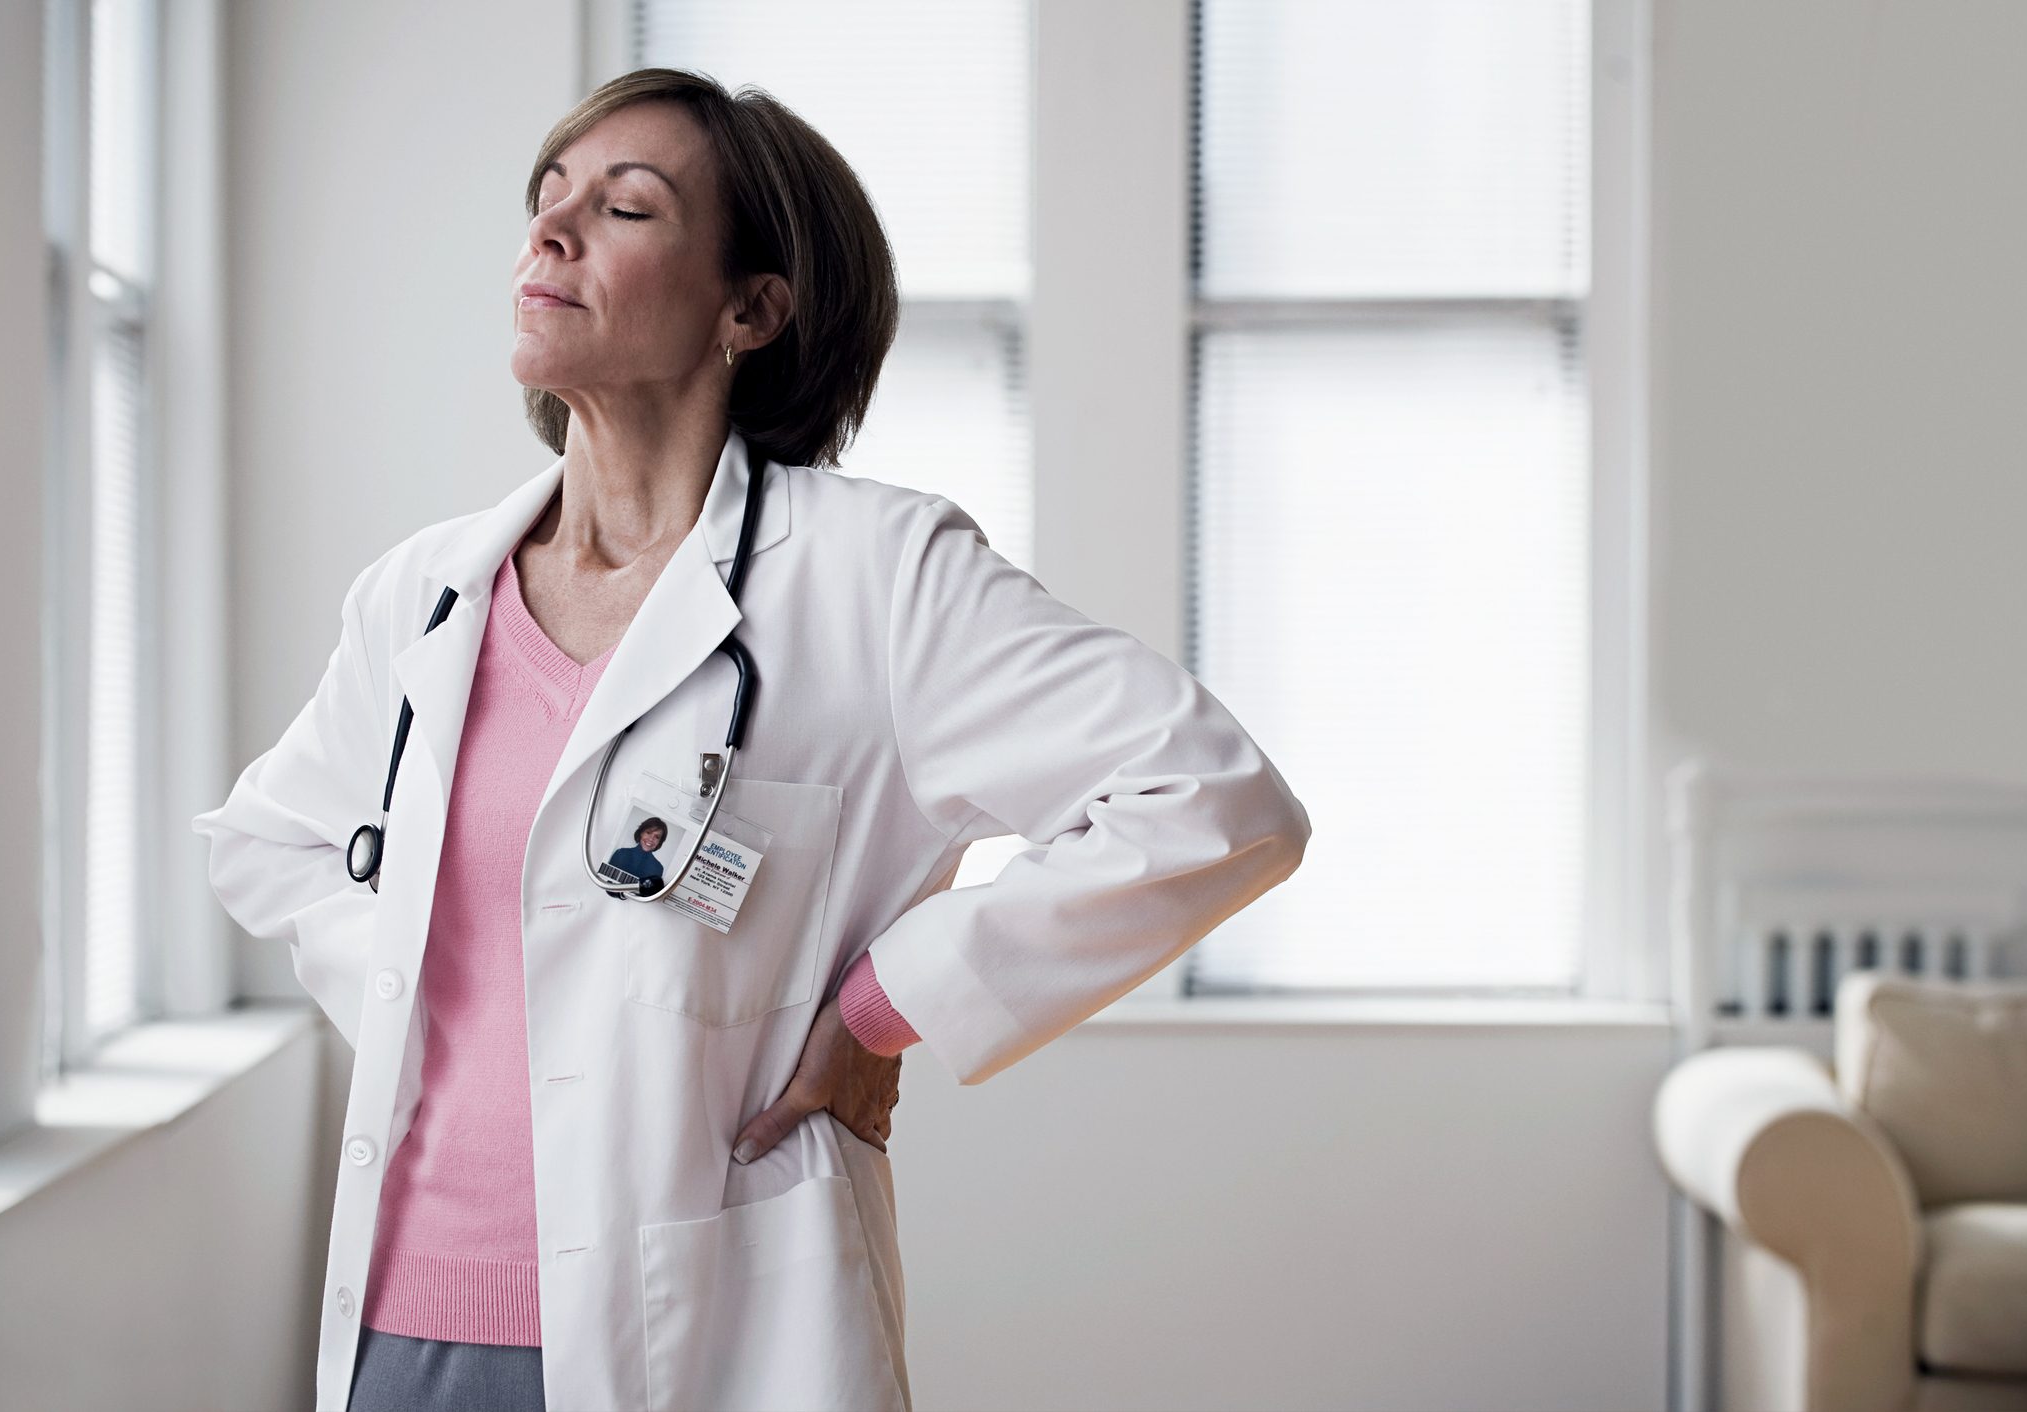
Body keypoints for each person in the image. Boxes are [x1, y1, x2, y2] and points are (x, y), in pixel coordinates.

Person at [190, 66, 1311, 1412]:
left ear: (752, 307)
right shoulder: (425, 595)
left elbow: (1214, 799)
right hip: (406, 1323)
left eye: (624, 207)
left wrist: (884, 1007)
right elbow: (268, 843)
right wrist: (410, 984)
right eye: (547, 199)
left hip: (712, 1331)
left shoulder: (875, 578)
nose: (550, 233)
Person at [601, 816, 668, 886]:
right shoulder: (621, 854)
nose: (651, 839)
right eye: (648, 832)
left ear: (659, 842)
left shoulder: (658, 868)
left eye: (657, 837)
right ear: (641, 833)